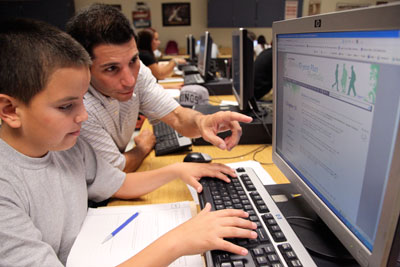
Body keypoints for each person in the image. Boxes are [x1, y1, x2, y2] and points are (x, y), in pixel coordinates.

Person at [0, 18, 257, 267]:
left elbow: (117, 183)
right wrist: (179, 241)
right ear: (10, 110)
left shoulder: (62, 146)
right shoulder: (7, 187)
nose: (84, 115)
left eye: (81, 99)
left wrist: (177, 171)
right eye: (67, 105)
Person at [66, 4, 252, 173]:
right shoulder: (79, 107)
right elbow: (116, 171)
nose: (130, 80)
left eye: (133, 60)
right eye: (111, 68)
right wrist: (143, 147)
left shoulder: (139, 74)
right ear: (83, 68)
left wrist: (203, 122)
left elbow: (178, 117)